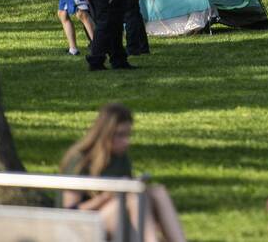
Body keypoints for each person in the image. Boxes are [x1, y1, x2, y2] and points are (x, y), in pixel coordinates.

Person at [60, 103, 186, 242]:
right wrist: (106, 197)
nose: (126, 141)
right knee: (133, 198)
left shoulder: (120, 157)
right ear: (105, 133)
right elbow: (70, 212)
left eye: (128, 135)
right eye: (120, 135)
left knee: (157, 191)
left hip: (116, 212)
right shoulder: (80, 159)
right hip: (83, 224)